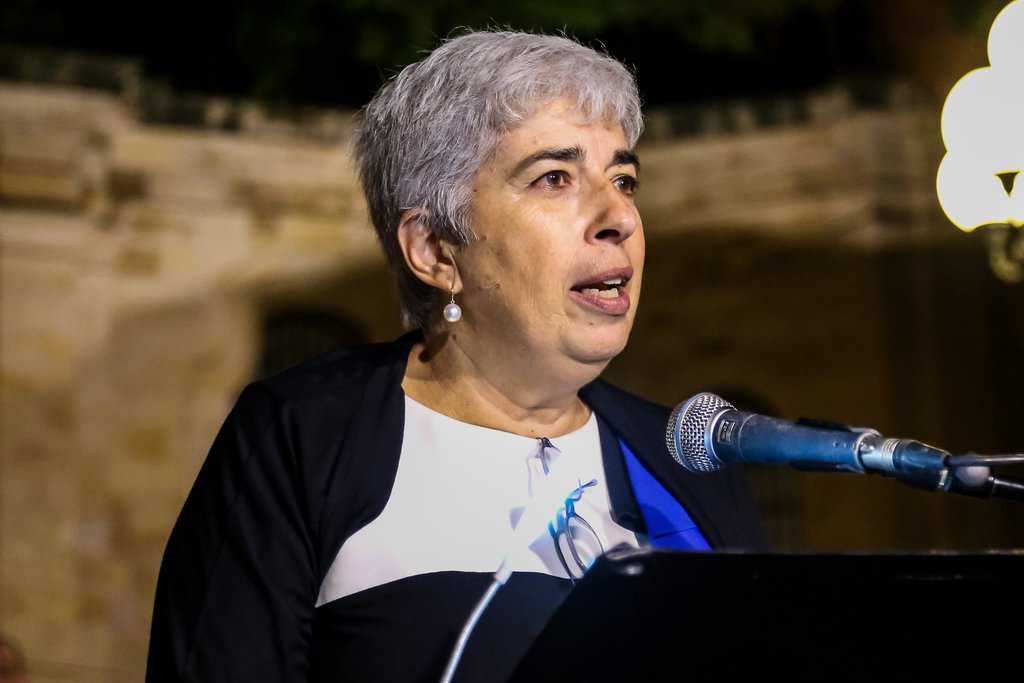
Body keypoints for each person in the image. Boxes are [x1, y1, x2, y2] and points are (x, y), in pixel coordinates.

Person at [146, 30, 765, 683]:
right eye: (555, 178)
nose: (620, 216)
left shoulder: (690, 463)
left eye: (624, 179)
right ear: (436, 250)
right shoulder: (302, 436)